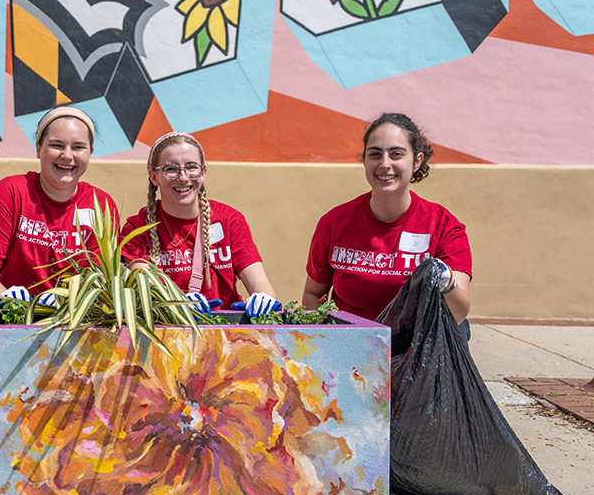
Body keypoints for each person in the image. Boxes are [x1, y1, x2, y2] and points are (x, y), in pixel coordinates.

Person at [302, 112, 472, 335]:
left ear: (417, 161)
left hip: (417, 350)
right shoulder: (334, 222)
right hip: (352, 346)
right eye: (375, 154)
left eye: (396, 154)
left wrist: (445, 281)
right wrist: (324, 343)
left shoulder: (443, 226)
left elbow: (458, 314)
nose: (384, 164)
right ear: (364, 160)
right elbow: (313, 295)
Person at [0, 107, 118, 307]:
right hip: (4, 327)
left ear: (90, 152)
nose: (67, 156)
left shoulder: (101, 206)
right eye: (57, 145)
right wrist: (10, 305)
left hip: (70, 326)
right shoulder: (11, 193)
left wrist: (67, 306)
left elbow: (101, 279)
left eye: (78, 147)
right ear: (38, 148)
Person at [120, 131, 279, 316]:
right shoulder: (137, 228)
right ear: (154, 176)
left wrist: (263, 299)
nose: (183, 177)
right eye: (171, 169)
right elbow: (144, 291)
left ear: (203, 172)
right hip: (168, 334)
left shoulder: (229, 220)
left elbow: (260, 283)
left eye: (191, 167)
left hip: (229, 336)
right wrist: (175, 302)